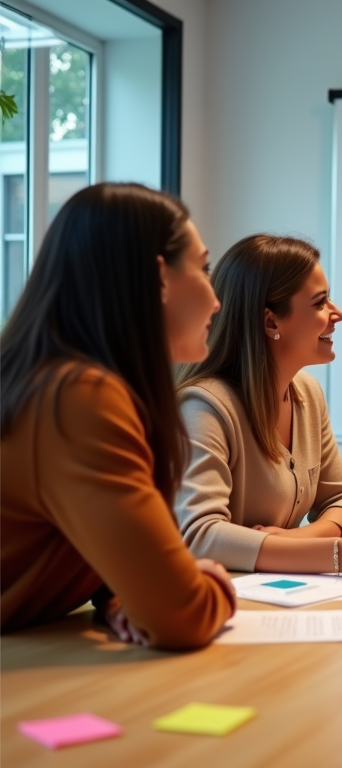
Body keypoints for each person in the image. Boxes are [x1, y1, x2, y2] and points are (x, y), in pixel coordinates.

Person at [0, 183, 236, 650]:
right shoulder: (78, 397)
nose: (216, 299)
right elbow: (183, 616)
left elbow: (79, 543)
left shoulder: (58, 381)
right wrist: (211, 583)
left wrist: (117, 596)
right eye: (204, 268)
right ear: (159, 279)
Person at [175, 235, 342, 575]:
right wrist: (341, 554)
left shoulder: (306, 393)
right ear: (272, 322)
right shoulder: (203, 408)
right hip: (221, 603)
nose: (337, 313)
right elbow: (199, 536)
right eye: (320, 303)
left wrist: (298, 540)